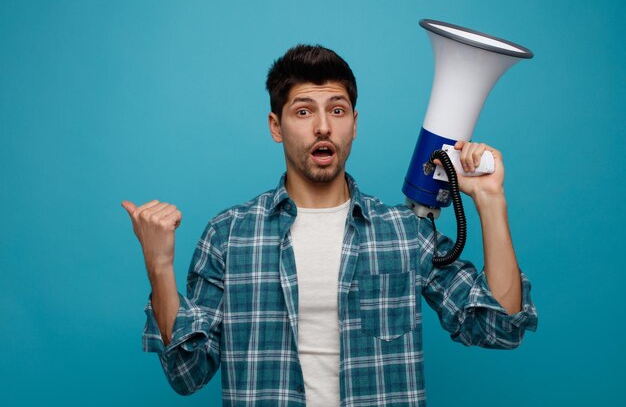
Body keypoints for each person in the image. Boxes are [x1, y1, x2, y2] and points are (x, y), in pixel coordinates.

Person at [122, 44, 537, 407]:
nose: (323, 126)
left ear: (354, 124)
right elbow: (186, 373)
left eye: (336, 110)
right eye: (303, 111)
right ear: (275, 127)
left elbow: (500, 327)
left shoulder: (405, 233)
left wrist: (490, 201)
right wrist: (159, 267)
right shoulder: (228, 235)